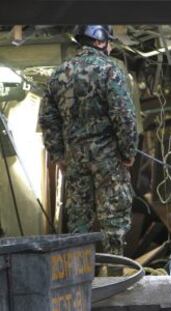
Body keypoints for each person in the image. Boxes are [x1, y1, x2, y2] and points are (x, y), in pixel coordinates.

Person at [39, 25, 139, 262]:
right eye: (109, 42)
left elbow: (48, 120)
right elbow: (124, 115)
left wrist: (60, 155)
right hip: (108, 160)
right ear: (99, 41)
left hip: (75, 160)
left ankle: (79, 278)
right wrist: (128, 152)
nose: (111, 47)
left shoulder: (58, 75)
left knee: (79, 221)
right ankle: (114, 277)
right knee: (113, 219)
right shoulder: (109, 71)